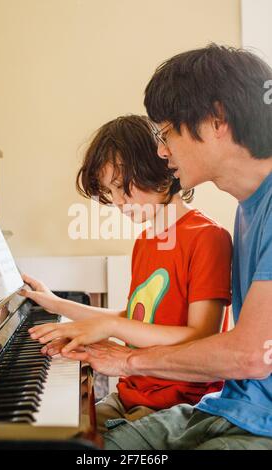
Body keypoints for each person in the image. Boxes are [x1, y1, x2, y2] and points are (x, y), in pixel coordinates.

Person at [61, 44, 272, 450]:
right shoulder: (248, 208)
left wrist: (124, 359)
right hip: (227, 407)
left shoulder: (219, 228)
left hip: (258, 426)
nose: (161, 151)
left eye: (167, 132)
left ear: (217, 120)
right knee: (71, 444)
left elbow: (250, 354)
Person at [20, 114, 232, 433]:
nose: (118, 202)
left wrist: (111, 325)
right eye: (109, 192)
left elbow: (202, 336)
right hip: (130, 394)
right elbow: (137, 319)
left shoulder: (207, 237)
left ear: (159, 165)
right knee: (51, 432)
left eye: (121, 187)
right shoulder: (146, 241)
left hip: (179, 406)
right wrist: (55, 304)